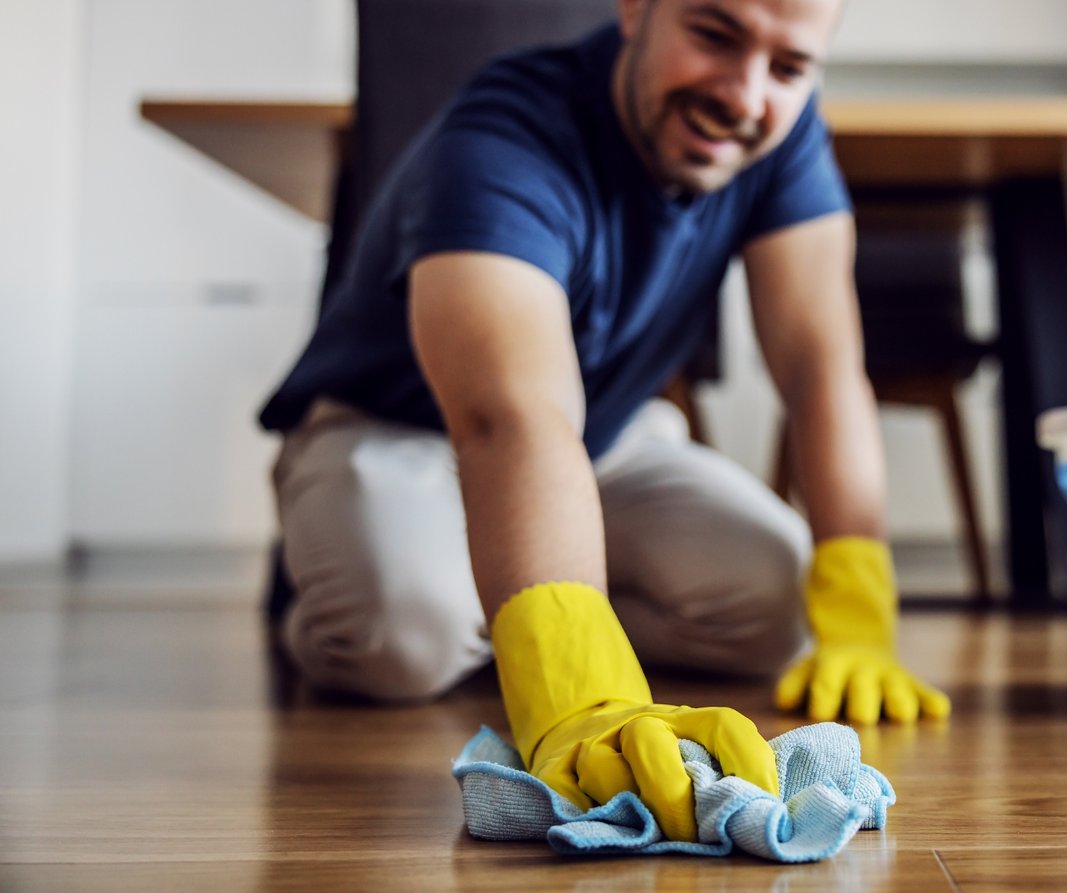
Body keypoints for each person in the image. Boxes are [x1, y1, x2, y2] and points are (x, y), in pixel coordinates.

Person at [258, 0, 948, 840]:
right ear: (635, 9)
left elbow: (821, 369)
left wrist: (860, 609)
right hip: (400, 430)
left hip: (603, 442)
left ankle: (515, 599)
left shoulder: (783, 138)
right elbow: (507, 416)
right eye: (715, 34)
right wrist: (576, 684)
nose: (745, 94)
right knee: (401, 639)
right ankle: (422, 598)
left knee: (780, 604)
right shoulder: (502, 136)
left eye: (789, 67)